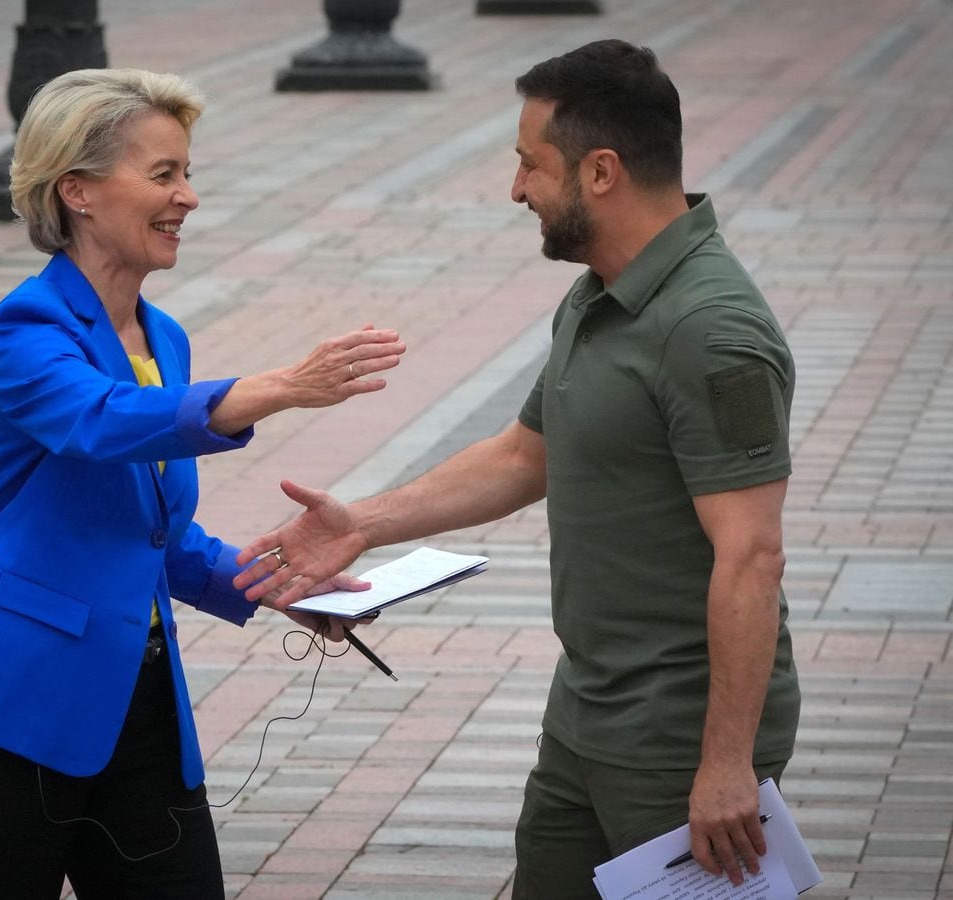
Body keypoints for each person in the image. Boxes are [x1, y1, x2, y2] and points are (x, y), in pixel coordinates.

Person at [235, 39, 799, 898]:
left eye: (530, 165)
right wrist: (364, 523)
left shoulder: (712, 330)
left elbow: (752, 556)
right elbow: (523, 454)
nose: (515, 190)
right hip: (588, 708)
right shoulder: (601, 293)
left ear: (601, 171)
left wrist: (727, 763)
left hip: (681, 731)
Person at [0, 68, 405, 899]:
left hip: (138, 708)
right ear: (79, 192)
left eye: (188, 173)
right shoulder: (28, 327)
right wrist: (279, 386)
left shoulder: (162, 335)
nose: (189, 198)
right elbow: (97, 421)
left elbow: (152, 534)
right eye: (164, 174)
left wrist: (281, 586)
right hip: (7, 706)